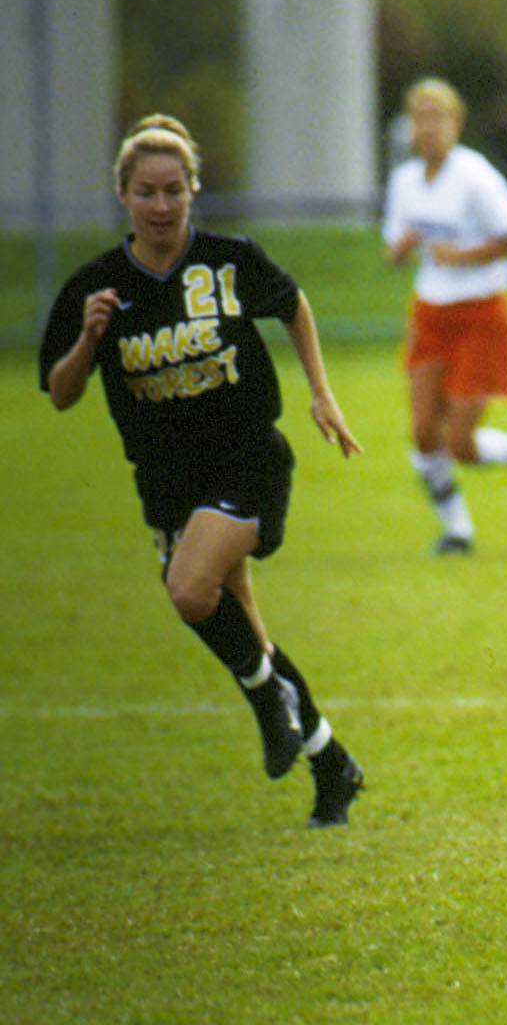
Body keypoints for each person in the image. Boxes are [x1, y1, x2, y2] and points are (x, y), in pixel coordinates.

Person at [39, 114, 366, 825]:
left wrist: (321, 393)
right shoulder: (95, 287)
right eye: (146, 191)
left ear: (194, 189)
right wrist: (88, 340)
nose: (161, 205)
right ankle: (331, 763)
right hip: (165, 478)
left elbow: (292, 304)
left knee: (189, 591)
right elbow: (60, 393)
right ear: (123, 195)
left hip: (246, 455)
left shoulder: (229, 259)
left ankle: (264, 703)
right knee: (246, 628)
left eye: (174, 189)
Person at [383, 77, 507, 554]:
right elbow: (395, 248)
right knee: (422, 431)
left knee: (460, 442)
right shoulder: (405, 181)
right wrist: (401, 248)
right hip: (430, 313)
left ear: (455, 125)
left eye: (438, 119)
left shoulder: (475, 176)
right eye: (420, 119)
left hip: (482, 313)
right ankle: (457, 530)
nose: (429, 129)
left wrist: (464, 257)